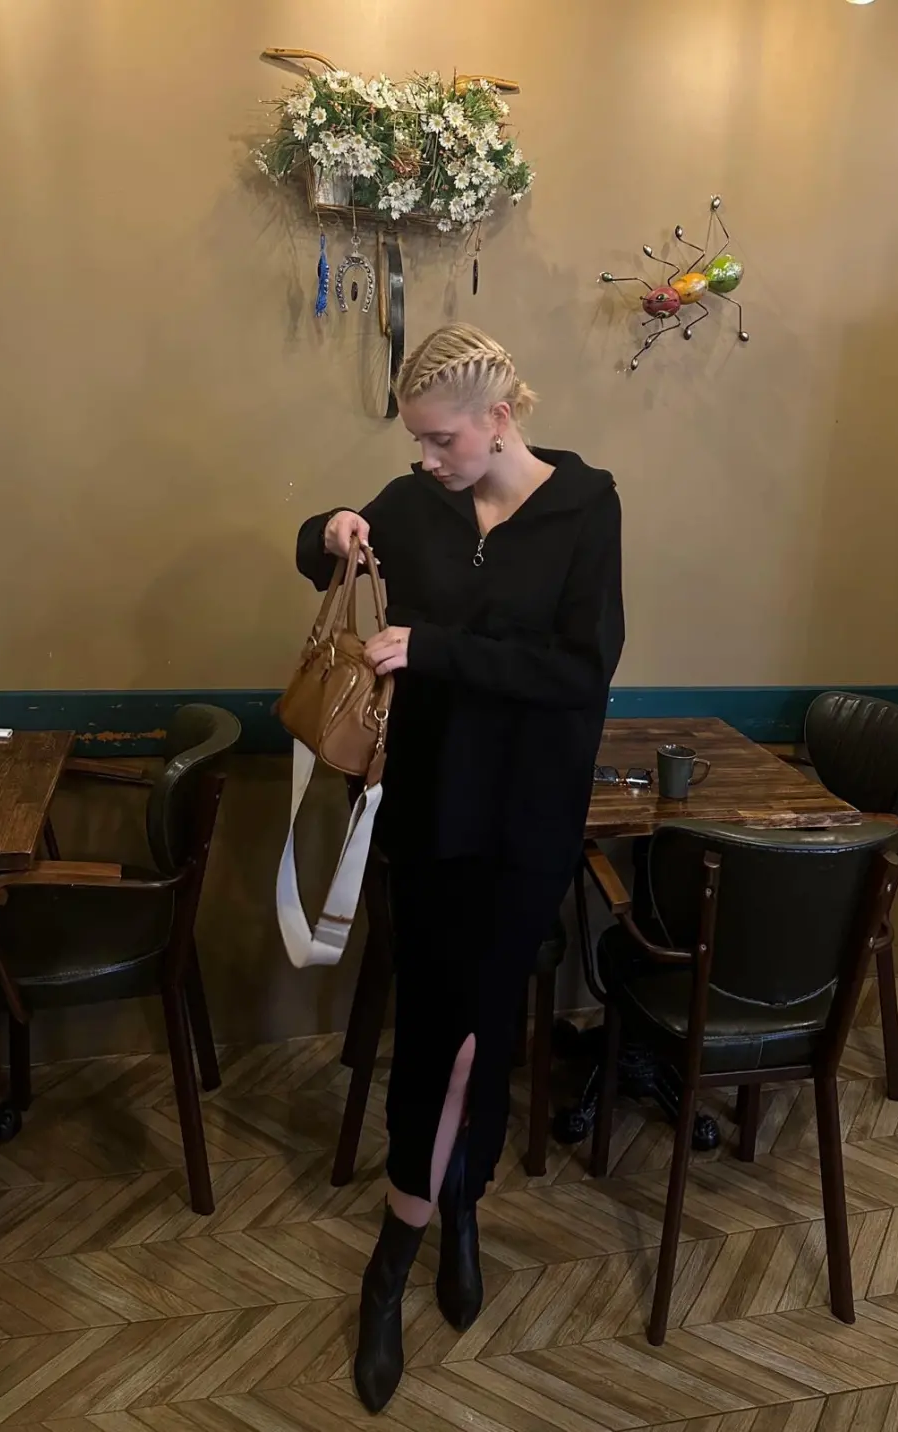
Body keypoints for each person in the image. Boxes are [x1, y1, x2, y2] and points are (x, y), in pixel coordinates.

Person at [296, 323, 624, 1413]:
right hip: (429, 812)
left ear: (501, 417)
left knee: (481, 1030)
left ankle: (449, 1209)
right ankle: (406, 1240)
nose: (427, 458)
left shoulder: (586, 508)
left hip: (526, 821)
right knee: (435, 1027)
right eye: (418, 441)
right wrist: (330, 528)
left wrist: (433, 649)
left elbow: (582, 669)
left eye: (443, 439)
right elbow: (321, 553)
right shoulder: (416, 501)